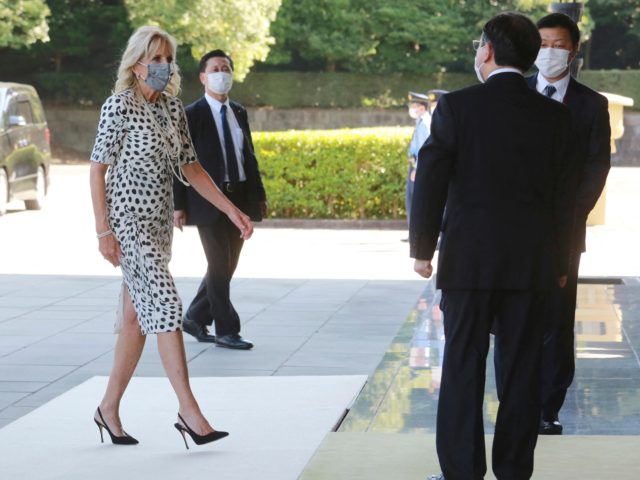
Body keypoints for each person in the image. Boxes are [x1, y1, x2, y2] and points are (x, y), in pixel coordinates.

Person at [410, 13, 577, 480]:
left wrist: (422, 249)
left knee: (463, 366)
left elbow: (431, 181)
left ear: (487, 51)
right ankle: (512, 470)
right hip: (533, 266)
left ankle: (462, 472)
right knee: (522, 372)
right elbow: (566, 199)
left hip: (470, 265)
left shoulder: (458, 107)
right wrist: (561, 262)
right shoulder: (555, 116)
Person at [89, 26, 253, 448]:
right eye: (156, 59)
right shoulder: (118, 106)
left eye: (168, 59)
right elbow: (97, 169)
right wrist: (103, 229)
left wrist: (231, 210)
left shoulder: (173, 110)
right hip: (127, 223)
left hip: (160, 225)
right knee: (165, 305)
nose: (164, 67)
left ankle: (107, 408)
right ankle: (189, 411)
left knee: (133, 319)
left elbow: (192, 169)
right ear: (137, 62)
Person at [531, 13, 611, 435]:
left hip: (564, 232)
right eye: (542, 43)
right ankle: (516, 398)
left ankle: (548, 405)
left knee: (556, 319)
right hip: (515, 230)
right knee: (515, 318)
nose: (549, 52)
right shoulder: (515, 93)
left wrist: (570, 215)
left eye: (558, 45)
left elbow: (597, 165)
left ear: (574, 50)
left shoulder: (590, 104)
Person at [173, 50, 267, 350]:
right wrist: (178, 204)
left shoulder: (239, 111)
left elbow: (247, 157)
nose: (221, 73)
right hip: (206, 201)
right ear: (203, 77)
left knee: (227, 265)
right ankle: (227, 329)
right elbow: (178, 162)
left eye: (225, 68)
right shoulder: (191, 114)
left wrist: (258, 196)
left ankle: (195, 316)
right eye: (215, 68)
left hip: (238, 198)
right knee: (218, 265)